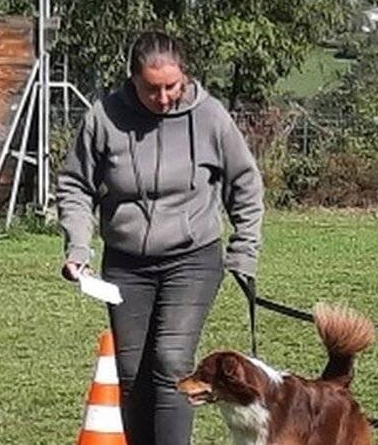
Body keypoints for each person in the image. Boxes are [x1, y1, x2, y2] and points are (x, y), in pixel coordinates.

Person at [57, 31, 264, 444]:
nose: (165, 97)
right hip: (126, 263)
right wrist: (78, 246)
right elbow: (75, 185)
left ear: (184, 74)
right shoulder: (104, 117)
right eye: (152, 88)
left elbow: (245, 183)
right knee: (131, 373)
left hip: (193, 258)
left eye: (172, 86)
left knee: (171, 363)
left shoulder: (211, 117)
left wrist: (243, 251)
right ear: (132, 79)